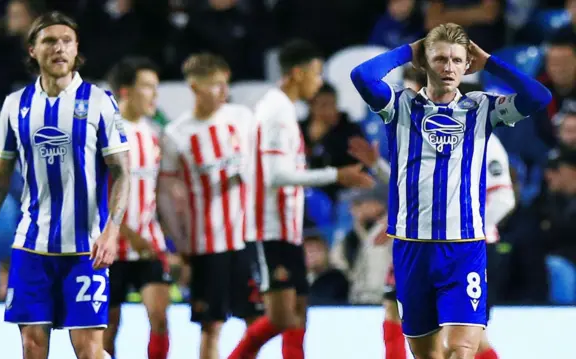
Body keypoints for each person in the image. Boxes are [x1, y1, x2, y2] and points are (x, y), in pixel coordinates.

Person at [349, 23, 550, 358]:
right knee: (428, 354)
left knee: (461, 350)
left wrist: (490, 62)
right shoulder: (400, 107)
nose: (449, 67)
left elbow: (538, 97)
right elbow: (362, 76)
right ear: (424, 63)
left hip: (464, 249)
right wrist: (408, 51)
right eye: (440, 58)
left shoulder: (482, 109)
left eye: (458, 59)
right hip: (412, 250)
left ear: (467, 64)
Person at [0, 11, 130, 359]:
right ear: (32, 50)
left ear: (76, 49)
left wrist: (112, 230)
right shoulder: (15, 105)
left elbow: (122, 172)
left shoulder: (100, 101)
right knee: (32, 346)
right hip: (32, 245)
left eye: (66, 41)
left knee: (87, 350)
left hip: (86, 248)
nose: (59, 48)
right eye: (49, 41)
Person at [228, 39, 375, 359]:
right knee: (281, 317)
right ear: (297, 73)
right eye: (316, 73)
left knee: (299, 313)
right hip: (270, 230)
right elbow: (276, 175)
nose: (319, 81)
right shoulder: (276, 111)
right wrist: (337, 175)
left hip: (287, 229)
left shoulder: (282, 109)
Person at [350, 132, 515, 359]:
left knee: (464, 339)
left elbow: (503, 200)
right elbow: (415, 187)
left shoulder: (483, 136)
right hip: (422, 245)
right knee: (395, 311)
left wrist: (458, 234)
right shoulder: (426, 129)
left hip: (467, 250)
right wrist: (377, 166)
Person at [158, 53, 263, 359]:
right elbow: (165, 193)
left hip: (247, 237)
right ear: (194, 87)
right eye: (213, 86)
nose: (221, 92)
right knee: (211, 325)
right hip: (206, 244)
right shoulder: (177, 134)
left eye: (224, 85)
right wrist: (180, 241)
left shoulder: (242, 117)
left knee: (255, 320)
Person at [104, 57, 170, 359]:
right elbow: (97, 196)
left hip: (148, 242)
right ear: (126, 91)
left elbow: (156, 191)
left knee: (159, 317)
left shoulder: (152, 132)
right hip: (112, 246)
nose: (155, 95)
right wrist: (130, 235)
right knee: (108, 327)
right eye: (147, 87)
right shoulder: (104, 133)